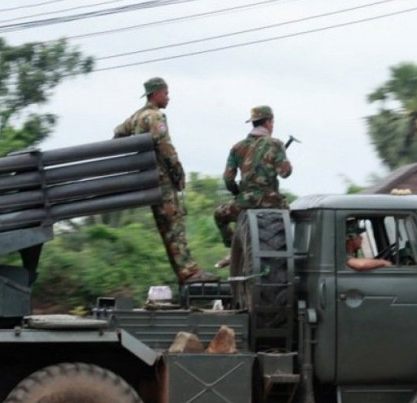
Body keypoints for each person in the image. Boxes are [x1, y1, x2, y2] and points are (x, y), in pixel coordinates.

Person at [113, 77, 217, 284]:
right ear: (156, 93)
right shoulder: (154, 117)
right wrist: (178, 172)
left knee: (165, 228)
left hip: (146, 180)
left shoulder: (136, 117)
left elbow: (117, 134)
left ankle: (183, 273)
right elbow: (165, 147)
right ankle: (189, 272)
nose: (168, 97)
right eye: (166, 93)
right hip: (162, 181)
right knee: (174, 226)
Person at [213, 106, 293, 267]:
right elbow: (285, 173)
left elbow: (228, 179)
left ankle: (234, 248)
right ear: (269, 122)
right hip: (273, 203)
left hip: (245, 203)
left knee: (219, 215)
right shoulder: (276, 144)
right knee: (293, 217)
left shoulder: (237, 147)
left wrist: (239, 193)